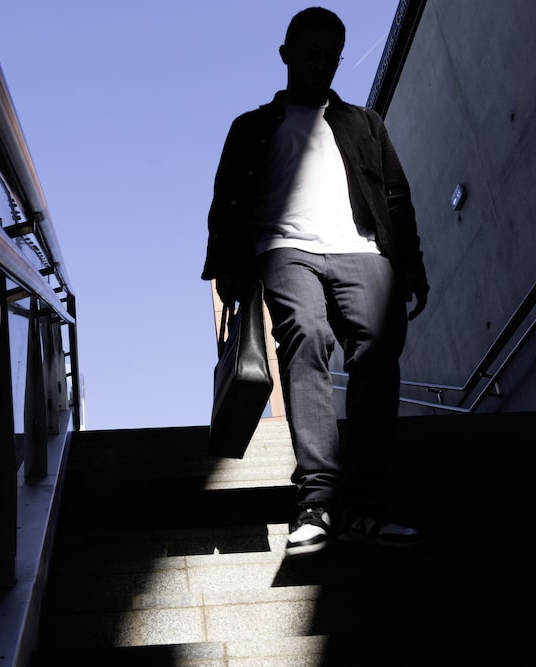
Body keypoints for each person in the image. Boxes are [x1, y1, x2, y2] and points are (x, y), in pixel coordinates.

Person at [202, 7, 429, 556]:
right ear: (286, 54)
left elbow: (395, 197)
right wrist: (226, 268)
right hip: (283, 248)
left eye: (332, 57)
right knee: (304, 334)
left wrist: (411, 265)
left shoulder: (365, 123)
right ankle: (317, 501)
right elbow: (226, 200)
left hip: (362, 248)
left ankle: (365, 507)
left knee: (377, 350)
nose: (322, 65)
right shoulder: (252, 126)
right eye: (312, 53)